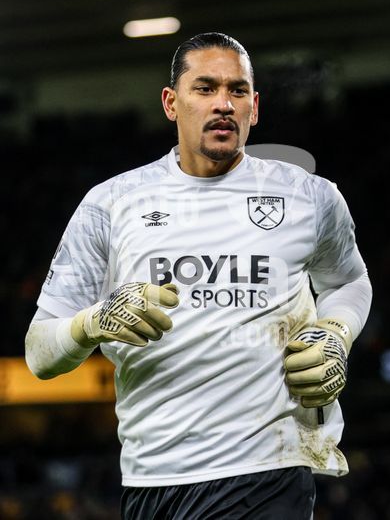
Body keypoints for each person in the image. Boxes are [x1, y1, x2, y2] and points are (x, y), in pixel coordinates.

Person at [25, 32, 372, 519]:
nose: (223, 104)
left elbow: (349, 281)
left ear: (254, 107)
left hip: (270, 470)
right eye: (205, 88)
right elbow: (39, 353)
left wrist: (336, 333)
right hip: (155, 479)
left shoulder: (310, 197)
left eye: (237, 91)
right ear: (171, 103)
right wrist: (93, 322)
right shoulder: (111, 204)